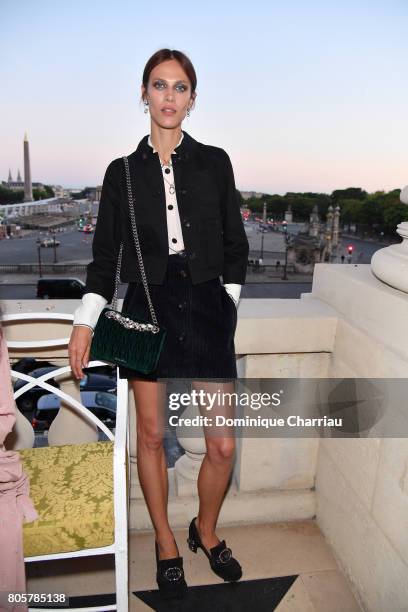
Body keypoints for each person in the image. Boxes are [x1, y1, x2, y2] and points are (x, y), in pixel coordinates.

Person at [68, 48, 249, 600]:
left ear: (192, 100)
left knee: (220, 445)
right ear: (143, 93)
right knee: (150, 435)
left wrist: (226, 304)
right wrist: (84, 321)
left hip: (206, 303)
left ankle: (206, 530)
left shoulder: (215, 161)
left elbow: (235, 245)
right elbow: (104, 259)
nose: (169, 96)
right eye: (158, 85)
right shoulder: (121, 173)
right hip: (148, 305)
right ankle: (166, 541)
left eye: (180, 87)